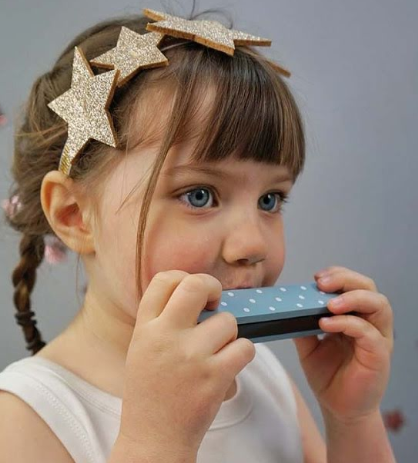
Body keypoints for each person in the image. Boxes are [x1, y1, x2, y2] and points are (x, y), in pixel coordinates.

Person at [0, 4, 396, 463]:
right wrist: (157, 441)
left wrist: (352, 420)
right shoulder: (26, 418)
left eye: (270, 200)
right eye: (200, 195)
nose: (253, 245)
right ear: (75, 215)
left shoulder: (257, 374)